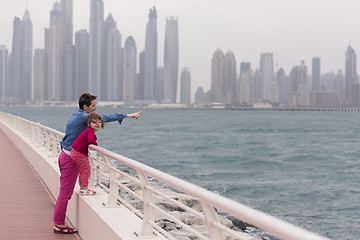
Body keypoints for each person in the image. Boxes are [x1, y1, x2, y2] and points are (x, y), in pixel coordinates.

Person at [53, 93, 142, 234]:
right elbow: (105, 118)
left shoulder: (76, 114)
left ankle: (59, 218)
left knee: (65, 193)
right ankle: (58, 224)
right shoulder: (84, 117)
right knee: (65, 194)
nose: (96, 108)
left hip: (66, 155)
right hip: (69, 158)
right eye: (93, 105)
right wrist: (128, 115)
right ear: (85, 107)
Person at [70, 112, 104, 196]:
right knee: (86, 170)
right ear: (89, 123)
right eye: (94, 122)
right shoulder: (90, 131)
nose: (97, 124)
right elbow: (91, 141)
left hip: (74, 152)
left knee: (82, 171)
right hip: (79, 153)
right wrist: (95, 144)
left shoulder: (88, 130)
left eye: (99, 122)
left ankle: (82, 188)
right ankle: (84, 189)